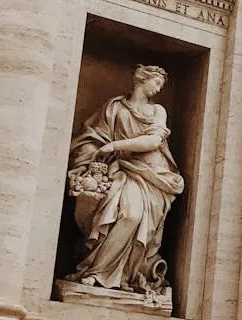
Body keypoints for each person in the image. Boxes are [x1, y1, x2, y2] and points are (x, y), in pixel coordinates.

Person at [66, 65, 185, 293]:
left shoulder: (158, 110)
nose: (158, 89)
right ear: (142, 79)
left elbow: (153, 142)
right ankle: (97, 271)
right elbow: (94, 136)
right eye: (156, 83)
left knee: (133, 216)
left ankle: (121, 275)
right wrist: (96, 152)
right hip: (121, 170)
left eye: (161, 86)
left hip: (153, 176)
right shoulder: (114, 107)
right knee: (124, 214)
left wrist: (115, 145)